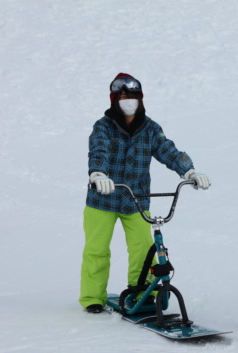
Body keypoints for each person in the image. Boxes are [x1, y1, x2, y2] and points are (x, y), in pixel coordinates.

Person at [80, 73, 211, 313]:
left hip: (136, 200)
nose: (128, 101)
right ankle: (92, 298)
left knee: (143, 248)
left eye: (132, 97)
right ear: (113, 100)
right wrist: (98, 174)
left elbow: (167, 150)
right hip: (102, 198)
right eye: (122, 97)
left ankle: (142, 293)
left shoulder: (150, 128)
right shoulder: (104, 126)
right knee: (97, 250)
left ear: (140, 99)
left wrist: (189, 171)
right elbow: (98, 150)